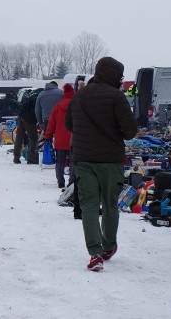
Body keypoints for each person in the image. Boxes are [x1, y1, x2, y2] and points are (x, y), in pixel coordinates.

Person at [66, 57, 138, 272]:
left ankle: (95, 253)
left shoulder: (78, 97)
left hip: (84, 159)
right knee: (110, 205)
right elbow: (130, 131)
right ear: (114, 75)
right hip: (110, 160)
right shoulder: (116, 97)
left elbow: (69, 124)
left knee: (88, 207)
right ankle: (108, 246)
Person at [41, 83, 75, 189]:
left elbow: (51, 123)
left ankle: (60, 181)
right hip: (74, 140)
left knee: (60, 162)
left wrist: (48, 136)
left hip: (60, 140)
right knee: (73, 162)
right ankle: (72, 181)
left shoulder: (57, 107)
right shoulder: (77, 106)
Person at [13, 88, 41, 165]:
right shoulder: (38, 97)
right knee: (33, 138)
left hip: (21, 117)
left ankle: (16, 157)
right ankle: (31, 159)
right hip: (29, 119)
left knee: (19, 137)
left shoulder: (27, 97)